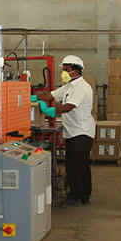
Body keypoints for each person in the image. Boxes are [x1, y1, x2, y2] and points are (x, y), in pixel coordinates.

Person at [37, 55, 95, 206]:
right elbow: (50, 95)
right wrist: (31, 97)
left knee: (75, 165)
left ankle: (75, 196)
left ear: (76, 70)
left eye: (66, 69)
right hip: (73, 131)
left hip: (81, 131)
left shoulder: (81, 87)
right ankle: (84, 195)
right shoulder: (69, 86)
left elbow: (69, 106)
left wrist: (50, 111)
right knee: (80, 164)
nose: (64, 73)